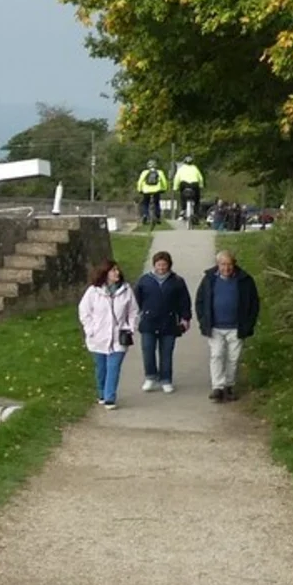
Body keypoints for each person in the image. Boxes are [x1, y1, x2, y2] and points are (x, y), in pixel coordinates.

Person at [194, 248, 261, 402]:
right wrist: (203, 321)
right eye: (223, 264)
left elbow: (254, 303)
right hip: (215, 326)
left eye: (229, 264)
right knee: (216, 354)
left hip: (236, 327)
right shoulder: (209, 279)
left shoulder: (245, 280)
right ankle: (217, 387)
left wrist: (249, 323)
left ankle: (229, 386)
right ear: (218, 265)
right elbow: (200, 301)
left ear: (234, 264)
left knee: (233, 358)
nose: (226, 268)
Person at [79, 259, 138, 410]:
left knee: (114, 367)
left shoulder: (126, 290)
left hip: (119, 338)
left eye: (117, 270)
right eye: (113, 270)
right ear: (105, 273)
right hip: (98, 337)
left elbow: (133, 311)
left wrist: (130, 328)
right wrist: (91, 329)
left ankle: (110, 397)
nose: (117, 273)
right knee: (101, 368)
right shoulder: (93, 291)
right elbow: (84, 312)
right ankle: (101, 393)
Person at [134, 250, 192, 393]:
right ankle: (150, 377)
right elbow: (136, 301)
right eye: (158, 265)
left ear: (169, 265)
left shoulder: (177, 281)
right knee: (148, 350)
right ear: (154, 265)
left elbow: (184, 302)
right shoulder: (144, 280)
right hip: (148, 322)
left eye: (164, 265)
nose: (161, 268)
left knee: (166, 352)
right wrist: (135, 317)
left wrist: (185, 318)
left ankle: (166, 379)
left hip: (169, 322)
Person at [173, 156, 205, 225]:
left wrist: (175, 188)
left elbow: (176, 178)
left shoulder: (181, 169)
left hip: (184, 184)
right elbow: (200, 178)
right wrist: (201, 185)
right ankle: (196, 213)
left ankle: (183, 209)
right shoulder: (195, 168)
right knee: (196, 199)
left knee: (182, 196)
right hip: (194, 184)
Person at [136, 159, 168, 226]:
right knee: (157, 203)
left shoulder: (144, 172)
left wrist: (139, 190)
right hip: (156, 190)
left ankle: (145, 215)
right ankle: (158, 217)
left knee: (145, 203)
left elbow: (140, 182)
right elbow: (164, 181)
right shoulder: (160, 172)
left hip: (146, 191)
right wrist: (164, 188)